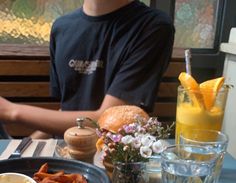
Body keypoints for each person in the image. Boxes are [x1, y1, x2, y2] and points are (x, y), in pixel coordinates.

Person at [0, 0, 175, 139]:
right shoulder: (61, 28)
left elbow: (107, 122)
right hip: (64, 153)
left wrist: (12, 111)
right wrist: (27, 145)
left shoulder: (153, 27)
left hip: (110, 162)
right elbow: (68, 110)